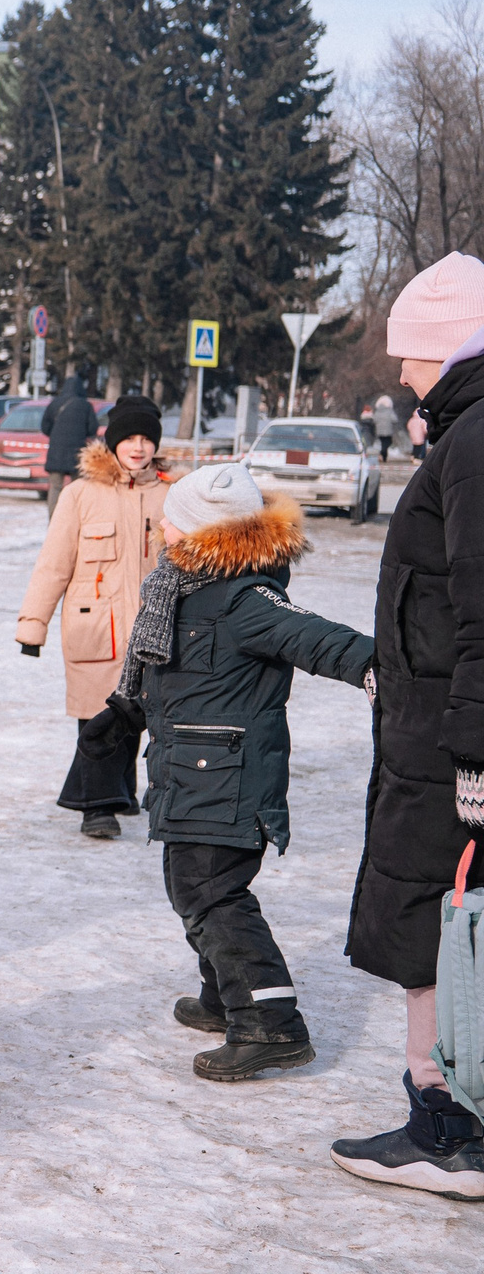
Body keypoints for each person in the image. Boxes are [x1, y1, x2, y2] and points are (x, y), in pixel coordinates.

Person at [113, 463, 374, 1082]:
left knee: (211, 892)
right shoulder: (180, 587)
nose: (162, 527)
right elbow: (167, 675)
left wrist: (385, 670)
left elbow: (324, 640)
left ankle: (270, 1025)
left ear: (206, 532)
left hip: (227, 778)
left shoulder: (243, 598)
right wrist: (122, 714)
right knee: (194, 887)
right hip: (191, 771)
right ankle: (223, 998)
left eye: (173, 520)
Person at [334, 253, 484, 1195]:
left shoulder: (473, 442)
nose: (399, 374)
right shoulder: (464, 432)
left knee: (439, 914)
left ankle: (448, 1121)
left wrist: (472, 747)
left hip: (447, 739)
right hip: (435, 721)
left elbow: (479, 602)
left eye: (411, 355)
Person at [16, 394, 172, 839]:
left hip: (150, 628)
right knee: (98, 715)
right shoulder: (80, 494)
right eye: (130, 438)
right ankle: (95, 808)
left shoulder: (170, 495)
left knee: (138, 714)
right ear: (113, 442)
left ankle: (120, 792)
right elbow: (54, 562)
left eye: (146, 438)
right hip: (94, 626)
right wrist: (33, 624)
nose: (138, 447)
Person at [42, 371, 98, 520]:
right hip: (77, 452)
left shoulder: (55, 403)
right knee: (77, 487)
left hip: (56, 452)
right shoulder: (85, 406)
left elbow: (44, 427)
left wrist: (56, 437)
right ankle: (75, 519)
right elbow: (93, 429)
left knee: (55, 487)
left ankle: (53, 520)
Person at [371, 393, 400, 462]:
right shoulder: (389, 411)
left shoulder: (377, 411)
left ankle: (384, 457)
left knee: (383, 443)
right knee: (388, 442)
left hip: (379, 430)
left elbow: (374, 420)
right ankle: (382, 454)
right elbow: (395, 419)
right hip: (388, 430)